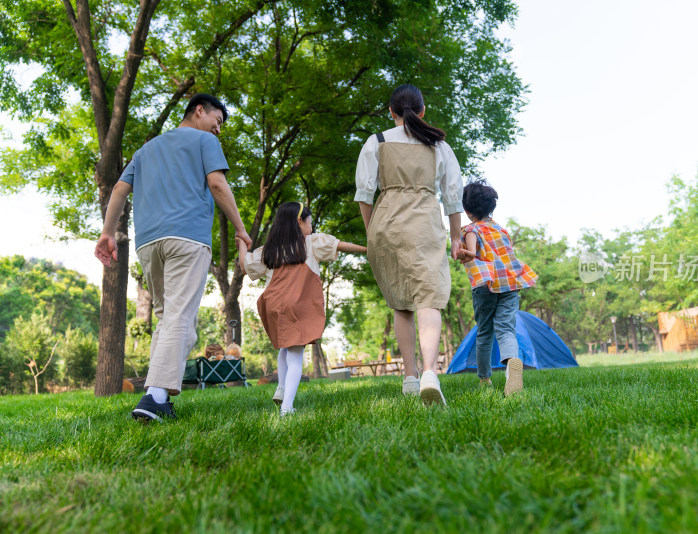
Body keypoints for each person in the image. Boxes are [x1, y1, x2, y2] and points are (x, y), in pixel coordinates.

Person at [95, 93, 252, 422]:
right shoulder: (203, 140)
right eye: (217, 121)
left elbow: (120, 190)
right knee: (182, 319)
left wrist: (107, 233)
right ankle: (154, 398)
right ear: (199, 111)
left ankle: (157, 397)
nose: (218, 129)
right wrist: (240, 228)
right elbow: (218, 184)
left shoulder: (145, 150)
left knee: (167, 317)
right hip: (188, 238)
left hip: (148, 243)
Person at [355, 84, 463, 405]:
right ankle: (431, 371)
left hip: (385, 225)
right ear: (422, 111)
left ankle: (411, 377)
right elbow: (453, 195)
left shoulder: (377, 141)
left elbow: (364, 193)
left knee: (400, 301)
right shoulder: (439, 145)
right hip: (425, 223)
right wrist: (456, 236)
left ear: (391, 112)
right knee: (428, 297)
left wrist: (371, 231)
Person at [237, 202, 366, 416]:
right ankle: (287, 407)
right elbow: (340, 246)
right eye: (309, 219)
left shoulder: (270, 249)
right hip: (296, 304)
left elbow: (245, 266)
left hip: (273, 304)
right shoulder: (310, 243)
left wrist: (242, 242)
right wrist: (368, 249)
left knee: (285, 347)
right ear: (299, 221)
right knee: (296, 355)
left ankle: (281, 388)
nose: (311, 223)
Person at [458, 179, 537, 396]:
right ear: (491, 207)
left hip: (485, 285)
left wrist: (468, 254)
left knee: (484, 332)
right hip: (510, 284)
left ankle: (485, 380)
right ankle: (512, 362)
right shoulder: (502, 230)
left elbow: (473, 251)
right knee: (506, 329)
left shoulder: (471, 230)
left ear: (466, 210)